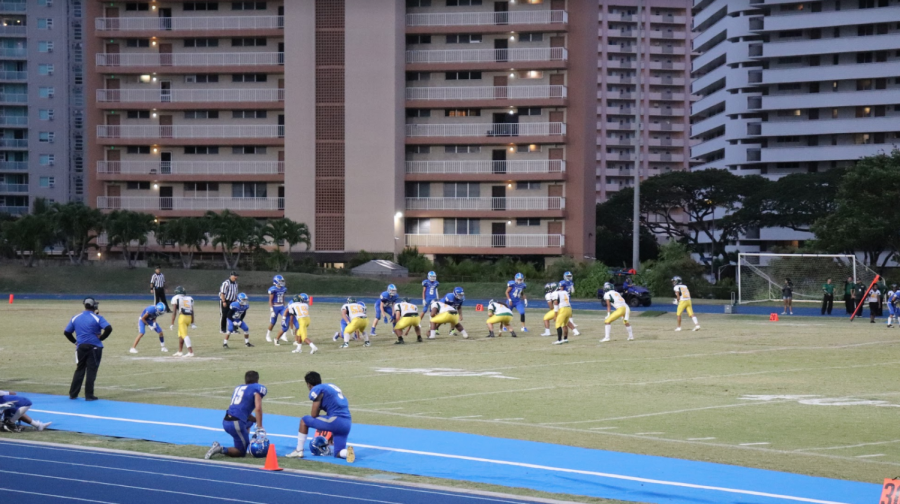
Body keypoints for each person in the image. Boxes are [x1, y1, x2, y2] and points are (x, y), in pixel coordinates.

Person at [286, 371, 355, 462]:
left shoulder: (317, 389)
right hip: (346, 423)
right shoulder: (330, 386)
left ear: (308, 384)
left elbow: (314, 414)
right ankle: (347, 453)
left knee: (304, 420)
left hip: (335, 421)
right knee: (338, 453)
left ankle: (299, 450)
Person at [205, 370, 267, 459]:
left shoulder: (239, 388)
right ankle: (220, 449)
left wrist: (256, 420)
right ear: (257, 380)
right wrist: (260, 426)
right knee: (241, 452)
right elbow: (258, 408)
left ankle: (245, 440)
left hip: (227, 421)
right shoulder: (257, 388)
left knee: (250, 421)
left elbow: (243, 412)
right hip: (236, 423)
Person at [64, 297, 113, 401]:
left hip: (80, 347)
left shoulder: (75, 317)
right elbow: (109, 328)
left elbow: (67, 332)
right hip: (94, 347)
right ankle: (89, 395)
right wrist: (102, 338)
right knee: (91, 371)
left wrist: (75, 342)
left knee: (80, 369)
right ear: (94, 306)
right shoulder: (97, 318)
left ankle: (73, 393)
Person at [170, 286, 196, 357]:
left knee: (184, 335)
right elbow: (192, 311)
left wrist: (172, 323)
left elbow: (174, 312)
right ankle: (180, 351)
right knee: (180, 334)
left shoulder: (176, 298)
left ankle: (190, 352)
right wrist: (193, 322)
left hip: (182, 317)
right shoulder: (189, 298)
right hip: (189, 317)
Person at [266, 275, 289, 344]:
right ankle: (268, 335)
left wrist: (285, 306)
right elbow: (270, 300)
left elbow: (283, 298)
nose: (281, 282)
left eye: (282, 281)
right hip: (275, 307)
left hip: (281, 306)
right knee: (273, 322)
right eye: (280, 281)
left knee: (286, 320)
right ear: (276, 281)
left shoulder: (284, 289)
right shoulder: (273, 289)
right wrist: (271, 310)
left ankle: (283, 335)